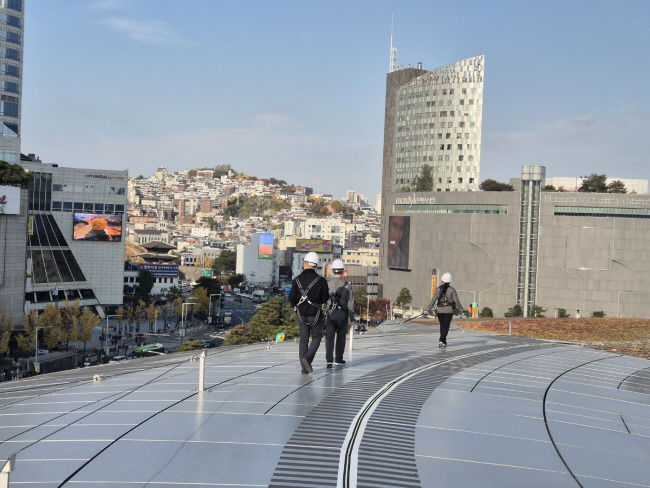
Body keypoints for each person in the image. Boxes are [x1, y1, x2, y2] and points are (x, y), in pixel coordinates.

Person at [289, 252, 329, 374]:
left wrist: (296, 307)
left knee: (303, 339)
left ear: (305, 263)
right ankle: (308, 359)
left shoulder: (297, 280)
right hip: (315, 314)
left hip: (301, 313)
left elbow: (292, 298)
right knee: (317, 337)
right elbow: (325, 298)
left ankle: (304, 368)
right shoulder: (321, 280)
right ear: (315, 265)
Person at [325, 258, 354, 368]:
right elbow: (351, 302)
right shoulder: (347, 285)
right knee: (341, 337)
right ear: (343, 271)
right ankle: (338, 358)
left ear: (332, 271)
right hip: (343, 315)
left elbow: (324, 299)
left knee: (329, 338)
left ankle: (329, 360)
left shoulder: (327, 284)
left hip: (330, 314)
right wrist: (351, 318)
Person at [426, 272, 464, 347]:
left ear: (442, 280)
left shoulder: (437, 289)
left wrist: (428, 308)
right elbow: (456, 301)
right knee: (446, 326)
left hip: (440, 310)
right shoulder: (452, 290)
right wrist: (461, 310)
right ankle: (441, 340)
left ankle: (443, 341)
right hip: (448, 311)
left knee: (442, 326)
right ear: (450, 281)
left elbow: (433, 300)